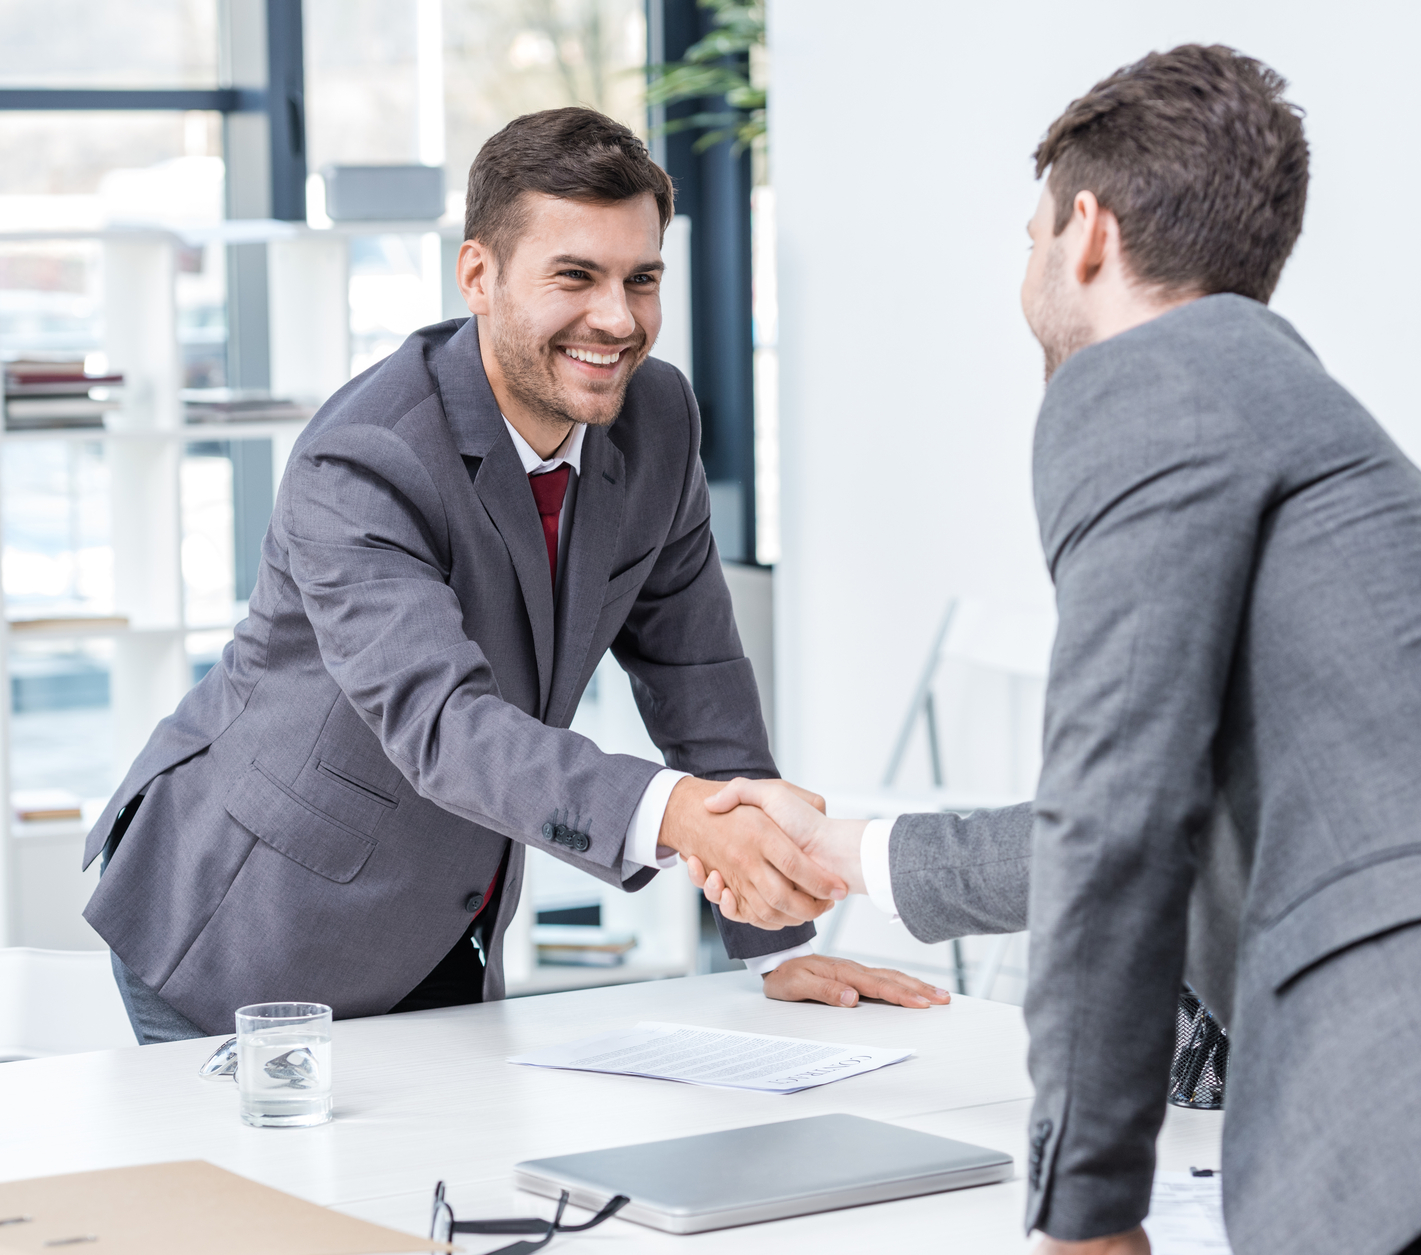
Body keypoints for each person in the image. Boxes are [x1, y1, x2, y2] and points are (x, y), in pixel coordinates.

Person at [690, 47, 1421, 1255]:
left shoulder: (1133, 388)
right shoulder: (1289, 409)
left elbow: (1120, 818)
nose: (1024, 272)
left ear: (1085, 232)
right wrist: (851, 850)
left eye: (1028, 235)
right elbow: (1176, 809)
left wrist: (1084, 1205)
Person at [81, 107, 943, 1043]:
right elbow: (446, 724)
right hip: (246, 925)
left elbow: (696, 675)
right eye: (575, 276)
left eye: (641, 279)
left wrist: (774, 939)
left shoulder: (659, 418)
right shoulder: (366, 458)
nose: (617, 319)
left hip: (443, 917)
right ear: (479, 276)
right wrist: (685, 816)